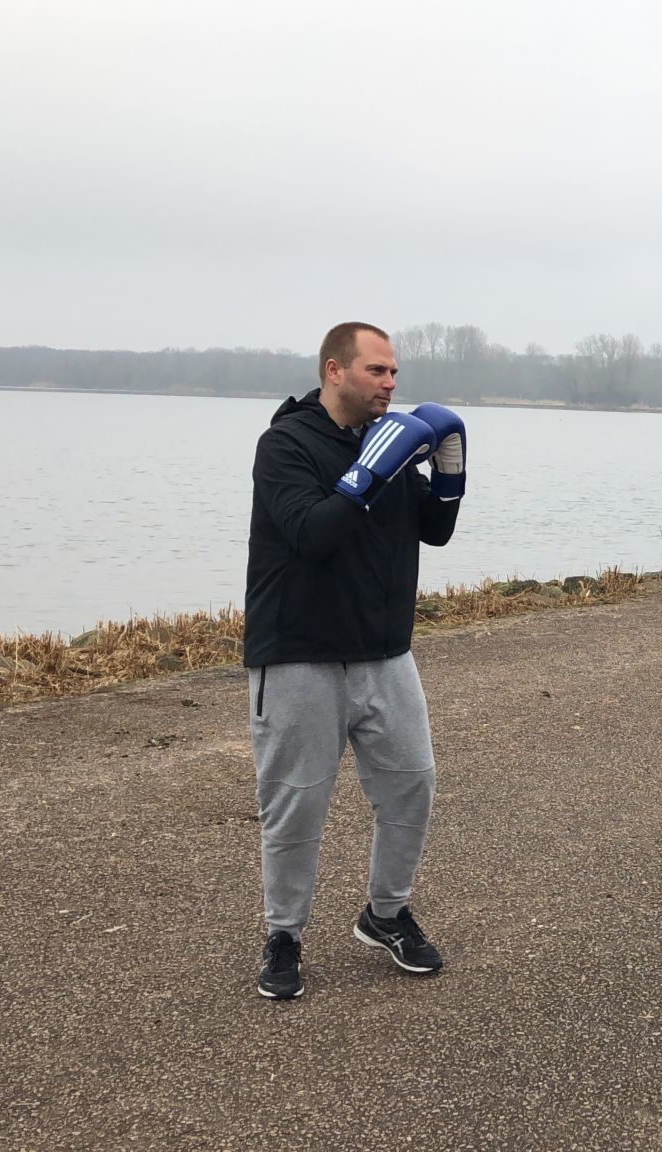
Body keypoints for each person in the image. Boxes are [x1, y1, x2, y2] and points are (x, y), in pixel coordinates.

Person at [243, 321, 468, 1000]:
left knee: (413, 786)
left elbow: (435, 531)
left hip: (384, 653)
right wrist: (371, 471)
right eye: (377, 370)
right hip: (298, 655)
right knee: (296, 805)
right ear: (334, 371)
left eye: (394, 372)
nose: (391, 383)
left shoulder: (389, 440)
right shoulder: (285, 445)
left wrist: (450, 473)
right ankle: (284, 935)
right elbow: (311, 533)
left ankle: (386, 913)